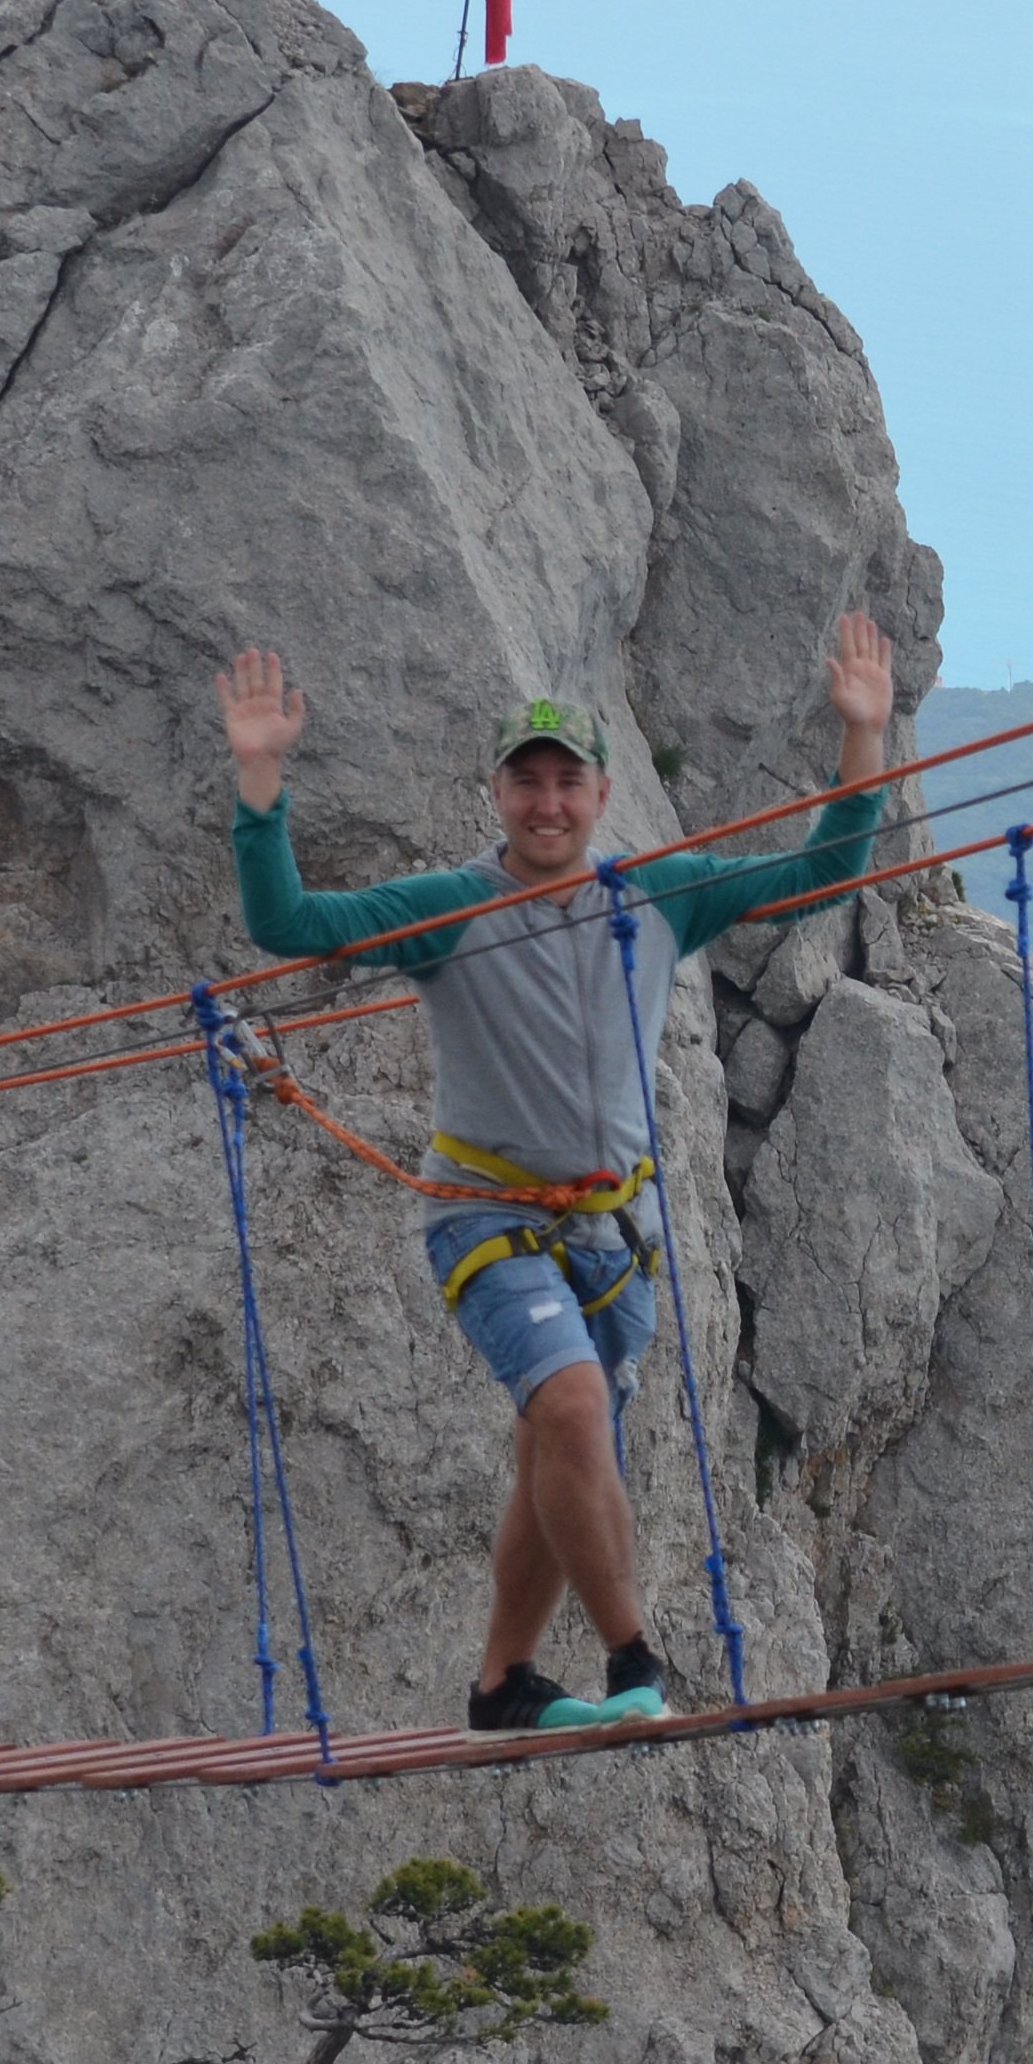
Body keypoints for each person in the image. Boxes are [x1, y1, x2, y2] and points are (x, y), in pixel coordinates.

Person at [220, 618, 895, 1730]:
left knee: (553, 1454)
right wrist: (261, 779)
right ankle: (635, 1664)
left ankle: (502, 1684)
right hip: (485, 1216)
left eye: (565, 783)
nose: (545, 804)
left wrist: (860, 739)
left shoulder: (657, 894)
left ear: (600, 792)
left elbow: (821, 873)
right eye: (524, 783)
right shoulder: (447, 907)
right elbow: (285, 923)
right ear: (496, 794)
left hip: (610, 1236)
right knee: (576, 1415)